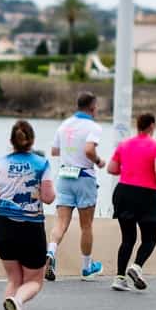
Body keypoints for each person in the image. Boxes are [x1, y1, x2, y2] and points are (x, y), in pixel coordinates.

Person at [0, 120, 55, 310]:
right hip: (31, 227)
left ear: (11, 141)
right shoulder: (42, 163)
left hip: (3, 226)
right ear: (32, 140)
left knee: (14, 279)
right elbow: (49, 198)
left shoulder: (0, 164)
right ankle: (18, 302)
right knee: (35, 281)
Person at [47, 91, 107, 282]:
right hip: (84, 177)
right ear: (92, 107)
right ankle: (87, 268)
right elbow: (89, 150)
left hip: (64, 176)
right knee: (86, 225)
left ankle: (51, 252)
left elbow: (54, 151)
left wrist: (70, 152)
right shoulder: (93, 127)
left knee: (61, 223)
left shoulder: (64, 124)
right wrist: (98, 161)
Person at [106, 112, 156, 292]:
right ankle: (136, 266)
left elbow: (112, 168)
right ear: (152, 126)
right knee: (150, 238)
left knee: (128, 239)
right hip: (145, 195)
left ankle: (119, 278)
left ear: (138, 125)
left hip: (123, 192)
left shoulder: (124, 144)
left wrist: (130, 169)